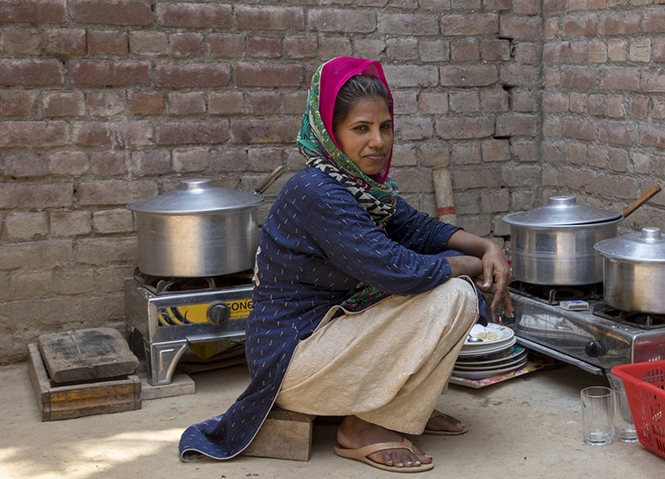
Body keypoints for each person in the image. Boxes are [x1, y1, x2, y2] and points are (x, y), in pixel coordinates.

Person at [179, 56, 513, 473]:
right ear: (330, 132)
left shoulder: (363, 187)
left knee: (447, 276)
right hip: (293, 362)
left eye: (385, 127)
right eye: (361, 128)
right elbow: (399, 269)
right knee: (452, 293)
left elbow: (417, 228)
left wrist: (487, 248)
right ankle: (364, 428)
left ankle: (405, 412)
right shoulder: (317, 191)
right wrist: (470, 263)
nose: (378, 141)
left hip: (328, 339)